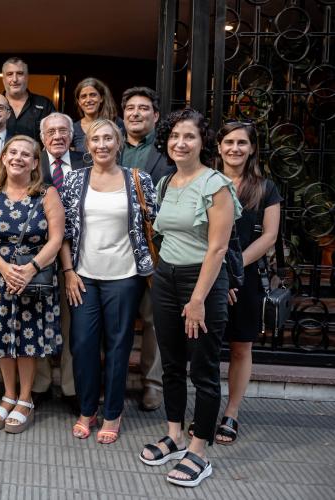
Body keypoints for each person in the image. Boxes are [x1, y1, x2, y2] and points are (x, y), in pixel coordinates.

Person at [139, 108, 241, 488]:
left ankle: (199, 451)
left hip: (203, 284)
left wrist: (197, 299)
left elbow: (217, 249)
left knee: (203, 368)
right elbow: (164, 235)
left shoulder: (215, 185)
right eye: (174, 136)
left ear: (203, 143)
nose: (180, 143)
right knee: (171, 364)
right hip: (166, 278)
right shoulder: (166, 182)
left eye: (190, 137)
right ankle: (175, 435)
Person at [59, 119, 156, 443]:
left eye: (108, 139)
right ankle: (88, 410)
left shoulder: (138, 179)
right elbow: (63, 232)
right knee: (83, 344)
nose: (102, 144)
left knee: (118, 346)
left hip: (125, 277)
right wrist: (69, 271)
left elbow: (154, 226)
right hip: (84, 277)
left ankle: (112, 413)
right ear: (87, 146)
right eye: (95, 139)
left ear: (118, 144)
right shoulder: (74, 181)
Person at [0, 135, 65, 434]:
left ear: (36, 162)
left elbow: (56, 239)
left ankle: (25, 399)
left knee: (26, 341)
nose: (18, 158)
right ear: (3, 158)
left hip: (33, 279)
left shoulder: (47, 194)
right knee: (3, 339)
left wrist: (30, 269)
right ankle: (8, 394)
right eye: (13, 152)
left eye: (26, 154)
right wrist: (3, 269)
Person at [215, 121, 282, 445]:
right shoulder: (207, 182)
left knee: (241, 346)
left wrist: (233, 268)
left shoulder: (265, 188)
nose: (235, 148)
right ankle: (205, 410)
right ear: (218, 147)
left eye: (242, 142)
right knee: (207, 348)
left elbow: (269, 235)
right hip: (208, 275)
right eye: (228, 142)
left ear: (252, 148)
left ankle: (232, 412)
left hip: (246, 278)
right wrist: (217, 271)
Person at [119, 86, 176, 411]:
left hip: (156, 249)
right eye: (131, 108)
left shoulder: (167, 152)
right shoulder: (111, 147)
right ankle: (112, 379)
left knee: (154, 320)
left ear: (155, 116)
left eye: (143, 109)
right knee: (117, 320)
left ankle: (152, 384)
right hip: (116, 250)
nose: (136, 113)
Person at [31, 112, 84, 411]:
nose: (57, 136)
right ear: (42, 137)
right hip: (37, 256)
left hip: (77, 258)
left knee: (71, 324)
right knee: (37, 321)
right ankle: (38, 384)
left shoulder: (84, 162)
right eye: (51, 131)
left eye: (63, 130)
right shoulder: (31, 161)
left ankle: (71, 387)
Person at [0, 57, 55, 140]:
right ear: (3, 79)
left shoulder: (44, 105)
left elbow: (54, 136)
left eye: (20, 73)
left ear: (27, 77)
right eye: (9, 74)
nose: (15, 79)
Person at [71, 77, 124, 162]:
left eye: (93, 95)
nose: (88, 100)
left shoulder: (116, 123)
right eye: (83, 96)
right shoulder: (73, 128)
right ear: (79, 102)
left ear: (101, 98)